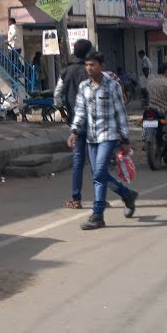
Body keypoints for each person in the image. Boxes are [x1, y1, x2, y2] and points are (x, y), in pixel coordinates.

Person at [67, 51, 139, 231]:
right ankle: (127, 194)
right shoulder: (84, 87)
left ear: (102, 66)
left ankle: (97, 214)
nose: (89, 68)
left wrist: (125, 138)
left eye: (93, 65)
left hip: (109, 136)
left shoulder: (112, 86)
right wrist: (74, 131)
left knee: (99, 173)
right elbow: (80, 111)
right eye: (87, 65)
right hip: (91, 137)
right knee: (98, 175)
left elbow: (120, 113)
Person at [55, 38, 94, 209]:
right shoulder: (92, 71)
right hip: (93, 120)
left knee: (78, 160)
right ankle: (101, 197)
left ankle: (76, 198)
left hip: (75, 122)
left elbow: (57, 96)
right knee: (96, 161)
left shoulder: (66, 71)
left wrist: (63, 113)